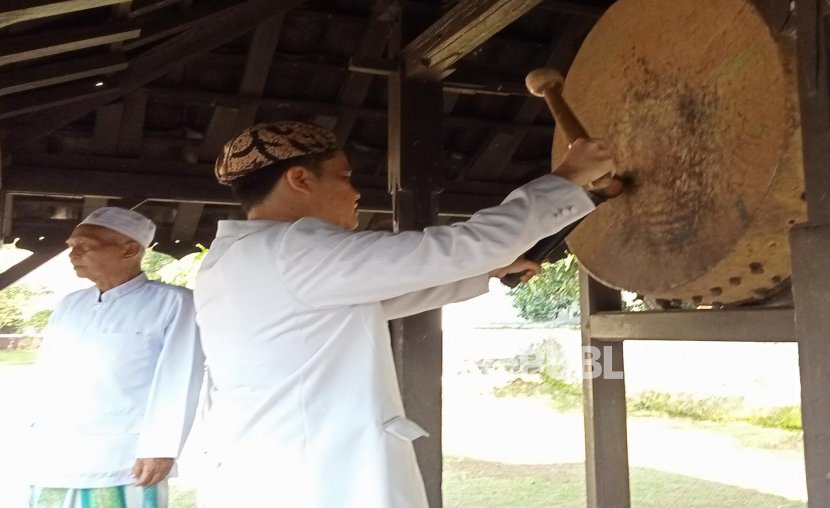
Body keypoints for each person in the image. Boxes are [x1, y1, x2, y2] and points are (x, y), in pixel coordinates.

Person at [194, 121, 614, 507]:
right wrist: (568, 177)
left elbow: (372, 303)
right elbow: (464, 244)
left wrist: (487, 270)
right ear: (300, 179)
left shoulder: (232, 260)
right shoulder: (297, 250)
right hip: (320, 479)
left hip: (267, 471)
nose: (356, 192)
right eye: (344, 177)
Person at [27, 207, 204, 508]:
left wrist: (161, 448)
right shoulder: (70, 305)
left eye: (85, 245)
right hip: (57, 451)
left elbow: (180, 379)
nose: (73, 253)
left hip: (124, 457)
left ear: (130, 250)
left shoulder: (174, 303)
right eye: (71, 245)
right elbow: (49, 375)